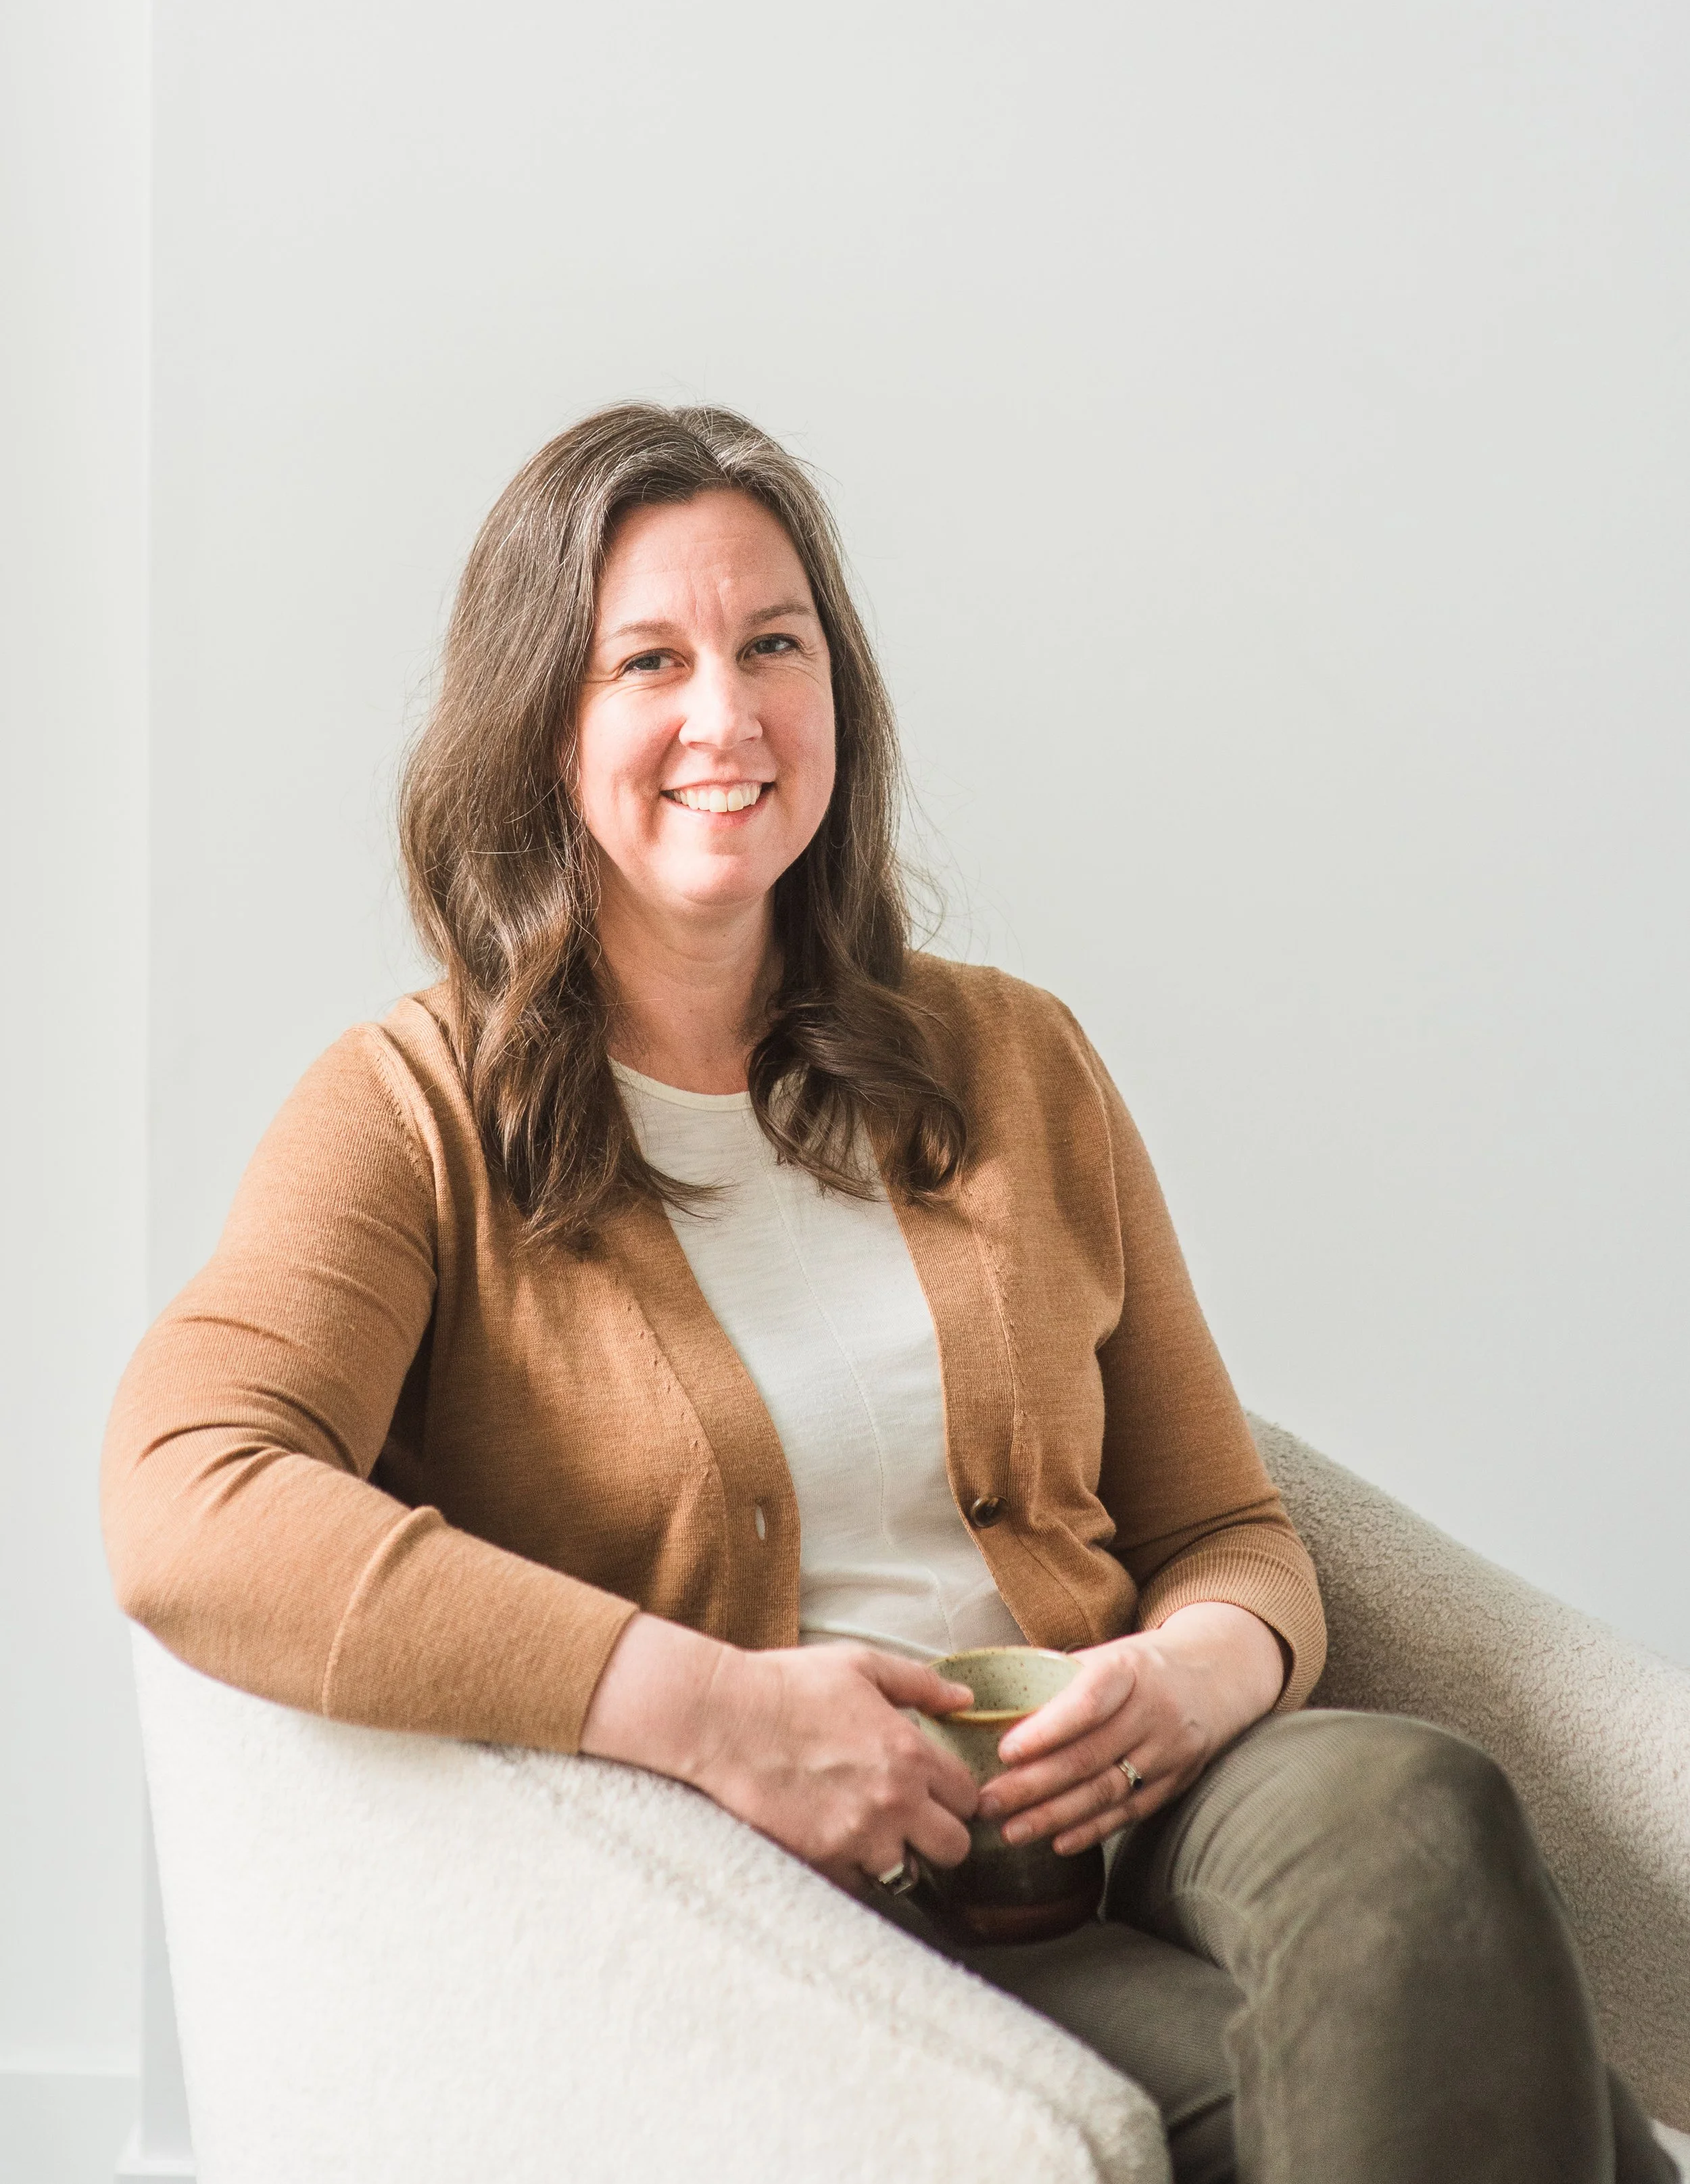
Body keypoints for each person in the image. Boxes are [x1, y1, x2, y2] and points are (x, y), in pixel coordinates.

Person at [101, 403, 1670, 2183]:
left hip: (1127, 1803)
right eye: (648, 660)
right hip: (802, 1884)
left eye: (776, 646)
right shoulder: (412, 1117)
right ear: (542, 721)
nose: (727, 715)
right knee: (1516, 2113)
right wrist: (704, 1710)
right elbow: (186, 1499)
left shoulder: (1012, 1059)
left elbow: (1225, 1517)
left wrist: (1199, 1669)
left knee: (1413, 1801)